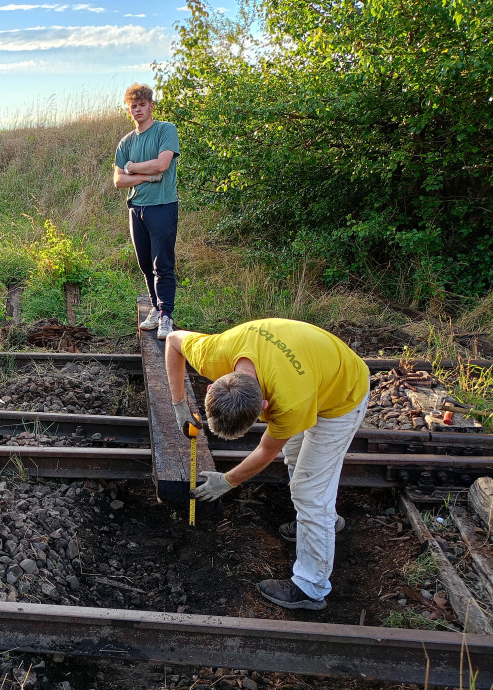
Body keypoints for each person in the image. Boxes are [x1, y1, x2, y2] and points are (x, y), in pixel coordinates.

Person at [165, 318, 369, 611]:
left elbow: (265, 451)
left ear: (264, 406)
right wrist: (179, 405)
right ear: (212, 386)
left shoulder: (290, 401)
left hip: (342, 393)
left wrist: (226, 481)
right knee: (298, 462)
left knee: (309, 492)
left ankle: (310, 588)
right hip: (314, 369)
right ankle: (322, 526)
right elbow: (173, 340)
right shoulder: (213, 351)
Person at [113, 83, 181, 340]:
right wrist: (145, 177)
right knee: (144, 264)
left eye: (142, 105)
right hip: (136, 208)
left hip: (162, 206)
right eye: (134, 106)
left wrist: (132, 169)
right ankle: (155, 308)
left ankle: (166, 317)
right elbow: (118, 181)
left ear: (151, 107)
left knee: (162, 264)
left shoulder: (166, 130)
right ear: (128, 110)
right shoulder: (126, 142)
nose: (138, 109)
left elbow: (162, 164)